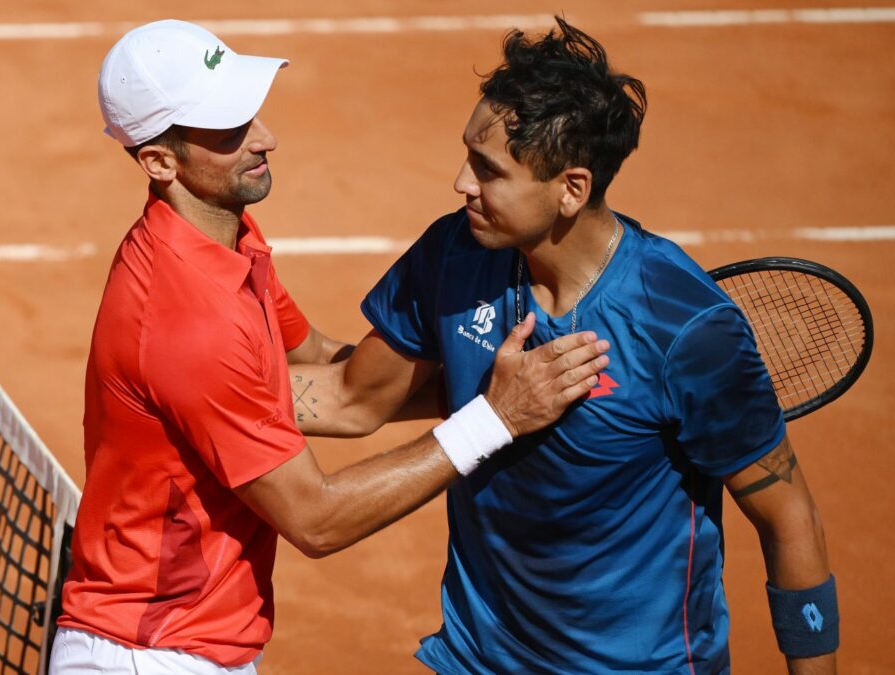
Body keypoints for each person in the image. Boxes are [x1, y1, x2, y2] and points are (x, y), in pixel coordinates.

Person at [49, 19, 612, 675]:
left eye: (251, 113)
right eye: (230, 131)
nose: (265, 138)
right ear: (159, 161)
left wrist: (481, 376)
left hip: (192, 640)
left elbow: (342, 387)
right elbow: (315, 520)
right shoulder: (187, 318)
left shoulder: (228, 241)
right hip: (149, 653)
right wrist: (495, 416)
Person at [292, 17, 837, 674]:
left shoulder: (684, 328)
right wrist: (174, 391)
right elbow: (350, 397)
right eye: (469, 155)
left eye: (487, 170)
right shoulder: (455, 256)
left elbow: (790, 517)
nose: (462, 184)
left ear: (571, 189)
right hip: (479, 657)